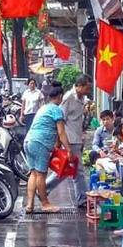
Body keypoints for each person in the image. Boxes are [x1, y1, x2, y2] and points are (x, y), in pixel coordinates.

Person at [45, 74, 92, 207]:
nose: (88, 92)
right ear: (79, 86)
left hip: (76, 138)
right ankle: (82, 199)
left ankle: (44, 188)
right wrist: (60, 141)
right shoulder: (68, 98)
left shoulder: (81, 98)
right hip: (70, 140)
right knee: (77, 171)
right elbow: (60, 119)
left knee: (68, 170)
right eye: (87, 88)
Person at [23, 81, 71, 213]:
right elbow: (61, 133)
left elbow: (52, 131)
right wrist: (69, 150)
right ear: (60, 96)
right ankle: (45, 204)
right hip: (40, 143)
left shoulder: (43, 108)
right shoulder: (57, 110)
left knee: (33, 173)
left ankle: (30, 205)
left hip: (28, 141)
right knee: (41, 175)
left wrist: (56, 145)